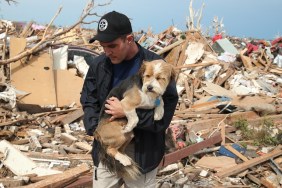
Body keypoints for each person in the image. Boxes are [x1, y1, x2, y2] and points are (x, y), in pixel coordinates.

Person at [80, 11, 178, 188]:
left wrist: (126, 112)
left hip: (143, 150)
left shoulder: (156, 67)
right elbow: (89, 100)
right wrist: (96, 129)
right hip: (108, 147)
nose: (107, 52)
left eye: (112, 46)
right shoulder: (99, 65)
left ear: (129, 39)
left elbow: (163, 116)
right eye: (103, 46)